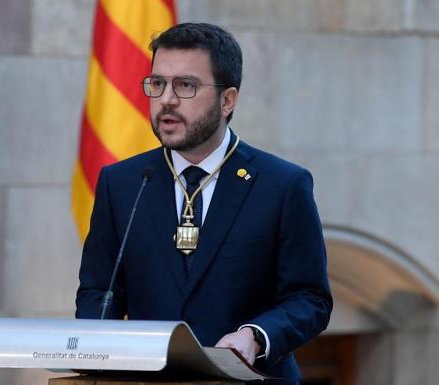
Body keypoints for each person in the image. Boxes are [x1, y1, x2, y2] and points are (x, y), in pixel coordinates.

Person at [76, 22, 332, 384]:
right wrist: (95, 349)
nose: (166, 99)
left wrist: (254, 336)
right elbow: (99, 290)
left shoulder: (282, 185)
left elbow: (310, 299)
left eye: (185, 85)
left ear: (227, 100)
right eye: (158, 84)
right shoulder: (121, 184)